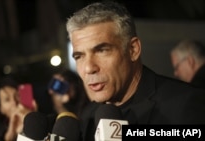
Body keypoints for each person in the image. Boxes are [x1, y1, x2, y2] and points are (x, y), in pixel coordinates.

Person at [66, 1, 205, 140]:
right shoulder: (88, 117)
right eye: (79, 56)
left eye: (102, 50)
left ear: (133, 50)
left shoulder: (187, 104)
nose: (89, 68)